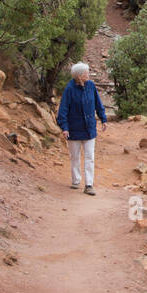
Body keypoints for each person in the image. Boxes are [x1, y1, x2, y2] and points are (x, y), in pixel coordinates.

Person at [56, 62, 108, 195]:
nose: (88, 74)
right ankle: (76, 180)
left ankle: (89, 184)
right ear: (79, 76)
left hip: (89, 128)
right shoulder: (69, 89)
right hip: (74, 129)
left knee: (90, 157)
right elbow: (63, 110)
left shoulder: (91, 86)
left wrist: (103, 119)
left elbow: (98, 103)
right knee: (75, 157)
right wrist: (64, 127)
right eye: (86, 73)